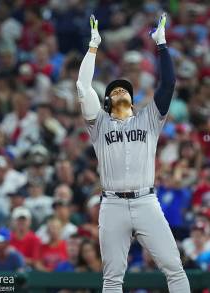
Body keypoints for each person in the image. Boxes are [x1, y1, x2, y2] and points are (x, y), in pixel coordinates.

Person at [76, 14, 190, 292]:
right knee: (112, 278)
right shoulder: (99, 124)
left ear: (132, 98)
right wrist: (93, 47)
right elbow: (82, 86)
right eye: (114, 90)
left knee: (174, 268)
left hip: (145, 201)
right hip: (112, 204)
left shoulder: (148, 119)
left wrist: (161, 44)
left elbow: (169, 85)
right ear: (107, 101)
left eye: (124, 90)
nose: (120, 92)